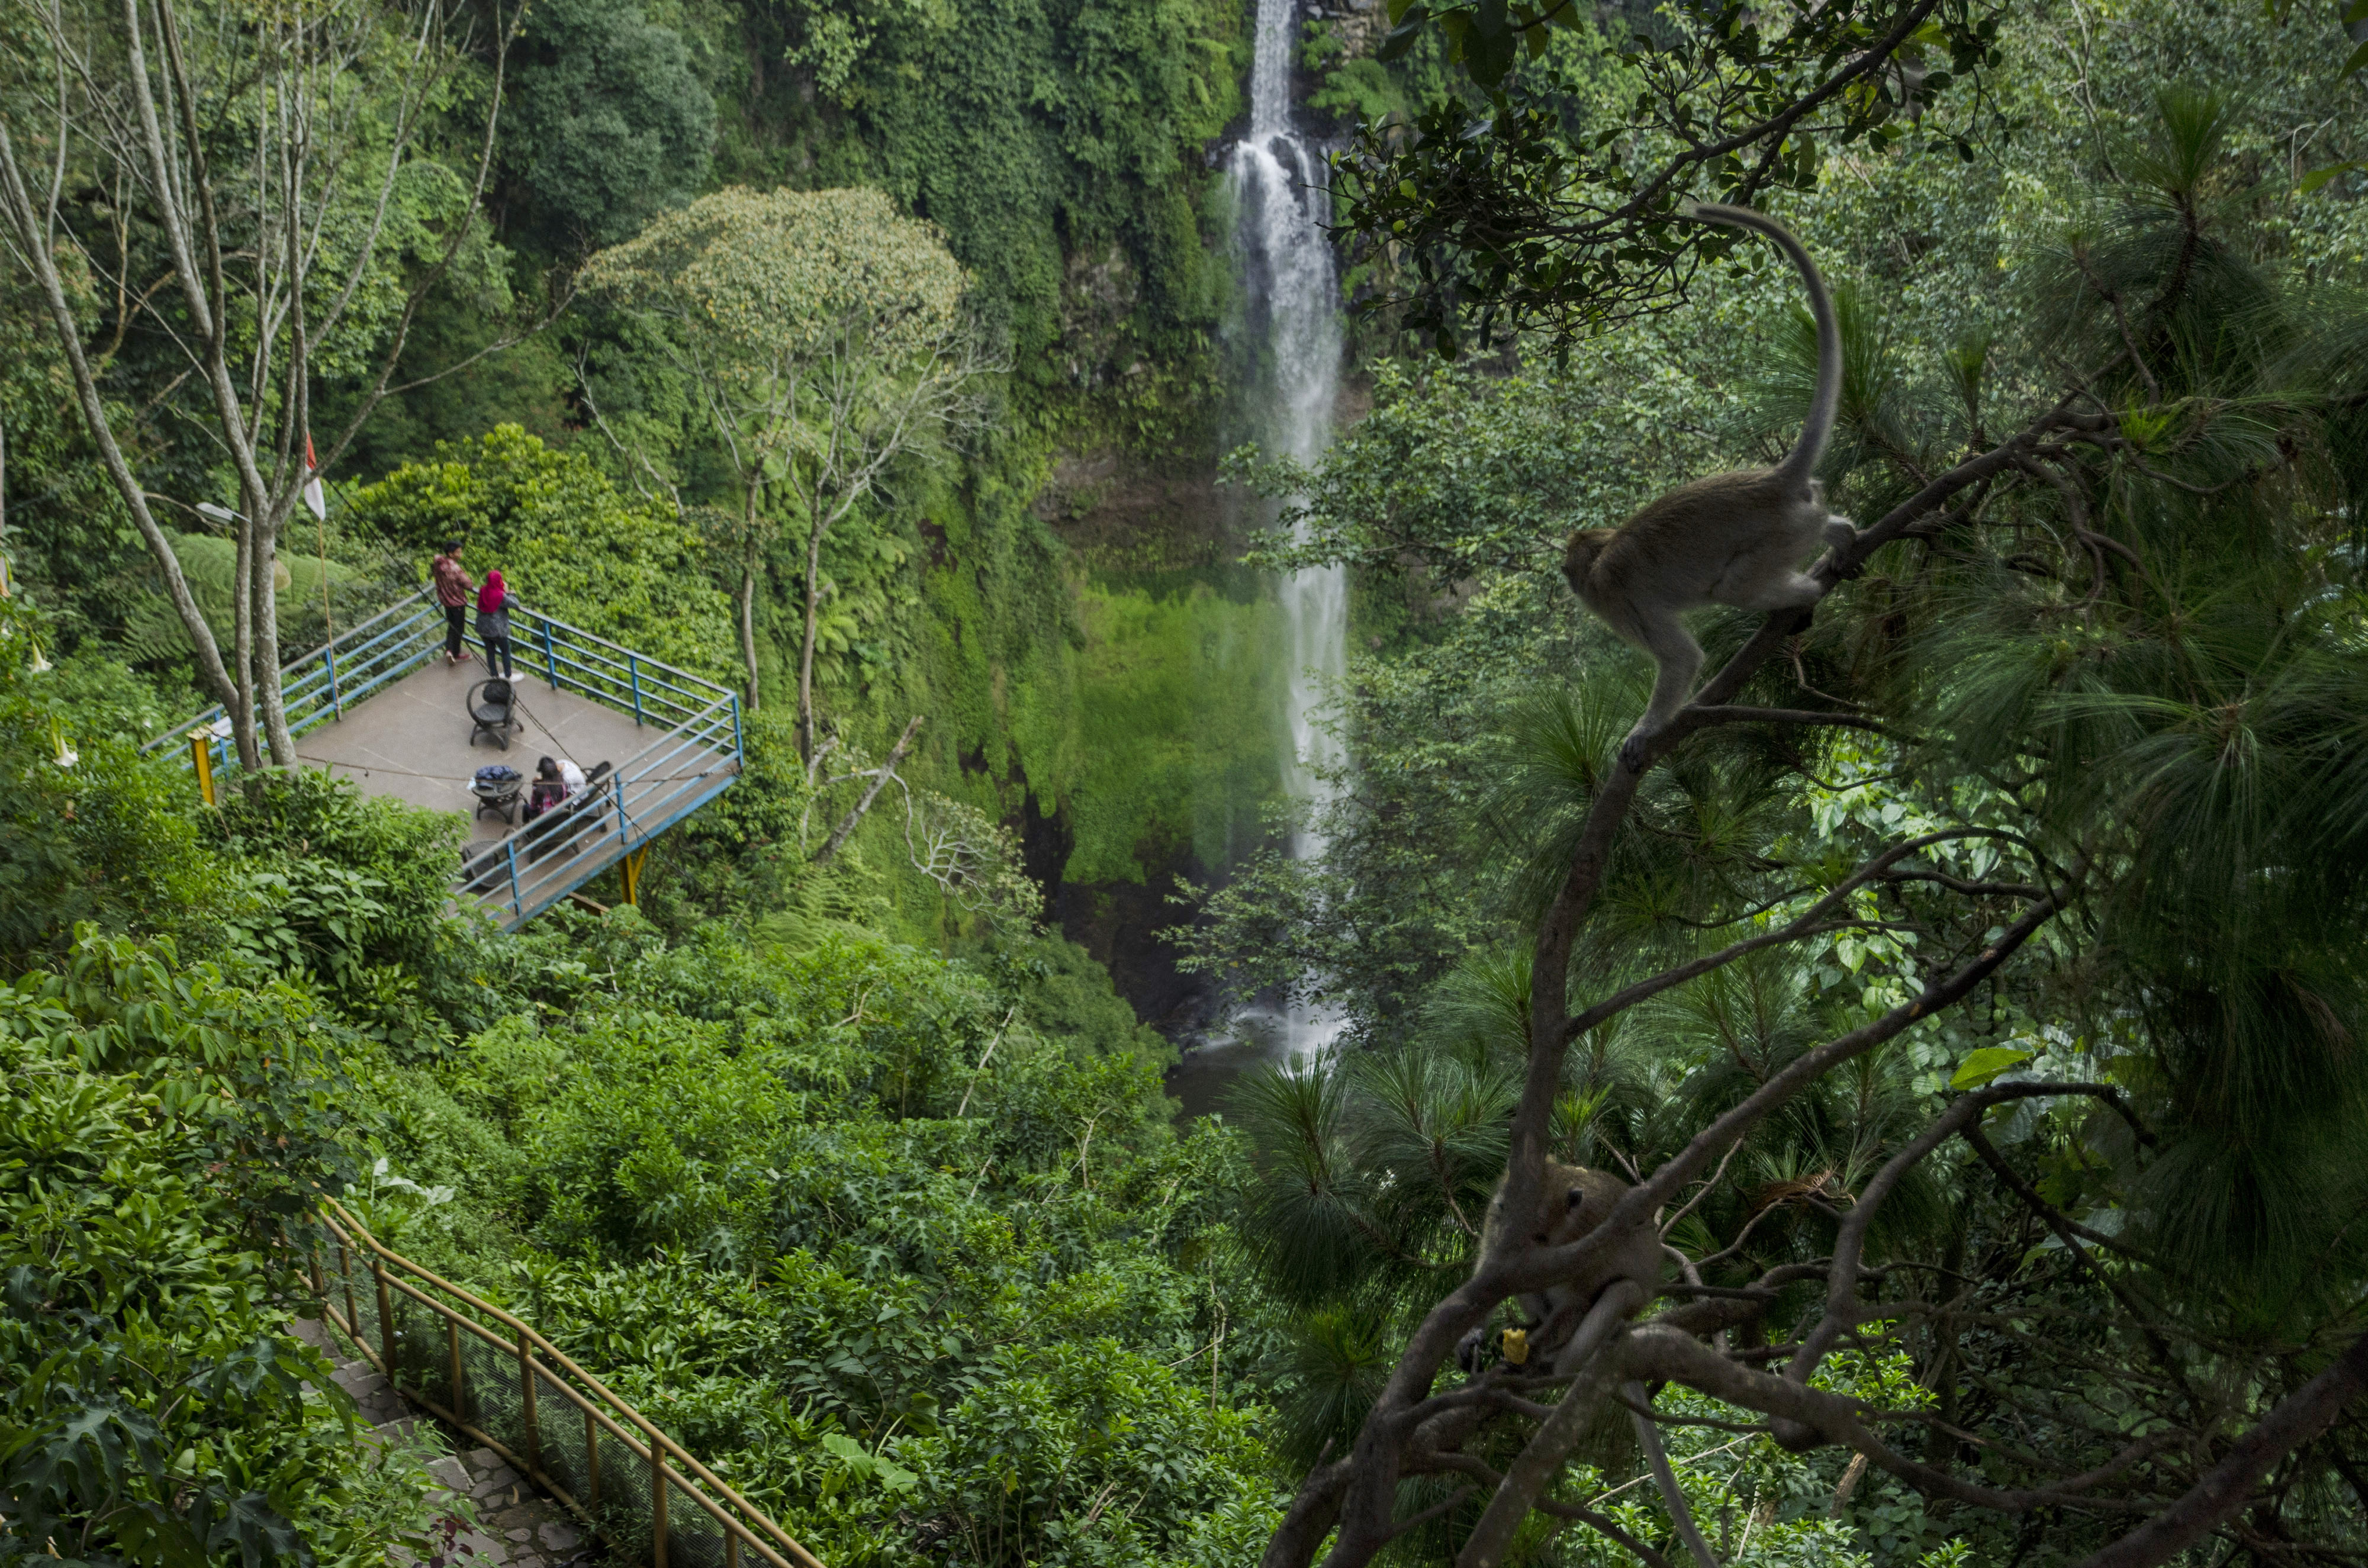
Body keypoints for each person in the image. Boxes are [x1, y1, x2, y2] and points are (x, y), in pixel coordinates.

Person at [430, 540, 474, 665]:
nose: (461, 554)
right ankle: (456, 654)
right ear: (451, 553)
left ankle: (449, 650)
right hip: (457, 602)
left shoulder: (438, 565)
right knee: (459, 628)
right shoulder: (454, 567)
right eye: (458, 552)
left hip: (446, 601)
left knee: (452, 627)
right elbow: (468, 584)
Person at [476, 567, 515, 677]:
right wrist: (509, 593)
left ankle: (494, 675)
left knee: (490, 652)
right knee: (506, 651)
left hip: (483, 629)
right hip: (497, 631)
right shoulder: (500, 595)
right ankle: (508, 675)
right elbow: (514, 604)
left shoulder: (483, 590)